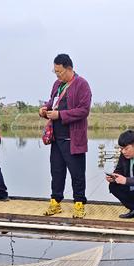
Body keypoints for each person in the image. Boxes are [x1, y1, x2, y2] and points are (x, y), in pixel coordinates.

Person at [39, 54, 92, 219]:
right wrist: (44, 109)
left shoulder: (82, 84)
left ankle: (79, 204)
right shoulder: (57, 84)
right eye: (55, 72)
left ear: (69, 69)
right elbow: (52, 102)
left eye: (60, 72)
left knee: (77, 173)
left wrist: (60, 115)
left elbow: (84, 110)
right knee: (56, 172)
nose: (57, 75)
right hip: (56, 137)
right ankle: (55, 202)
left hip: (73, 139)